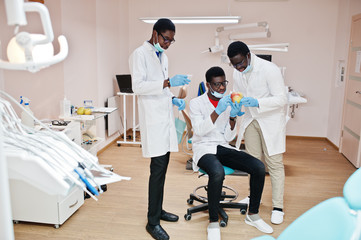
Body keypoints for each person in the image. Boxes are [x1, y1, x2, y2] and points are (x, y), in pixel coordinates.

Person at [189, 66, 273, 240]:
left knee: (258, 167)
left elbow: (228, 137)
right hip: (204, 147)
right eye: (217, 84)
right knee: (217, 172)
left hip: (222, 145)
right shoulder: (196, 103)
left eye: (223, 83)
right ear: (208, 85)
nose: (221, 88)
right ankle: (213, 221)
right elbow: (199, 130)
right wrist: (217, 111)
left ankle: (253, 215)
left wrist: (233, 117)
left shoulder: (228, 103)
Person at [129, 18, 191, 240]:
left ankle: (158, 210)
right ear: (155, 33)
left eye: (171, 41)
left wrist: (173, 98)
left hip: (164, 117)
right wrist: (167, 83)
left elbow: (162, 88)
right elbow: (138, 86)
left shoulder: (162, 56)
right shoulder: (139, 54)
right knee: (157, 171)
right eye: (166, 39)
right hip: (153, 120)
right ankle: (152, 222)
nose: (167, 44)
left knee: (162, 169)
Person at [227, 41, 287, 225]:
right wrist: (235, 105)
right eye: (234, 65)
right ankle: (255, 198)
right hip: (250, 120)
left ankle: (278, 207)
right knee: (253, 163)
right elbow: (236, 92)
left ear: (248, 55)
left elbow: (282, 99)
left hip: (270, 121)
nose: (238, 67)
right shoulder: (237, 71)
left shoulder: (270, 69)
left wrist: (258, 102)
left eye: (241, 63)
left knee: (274, 164)